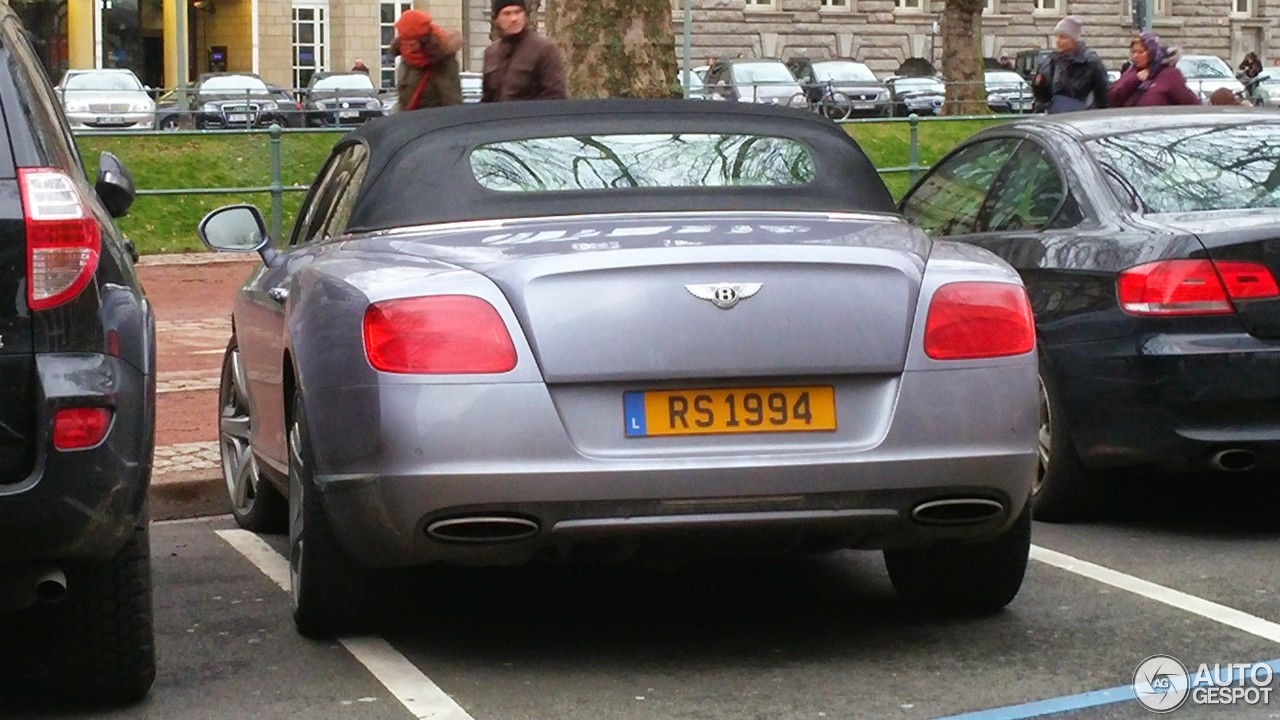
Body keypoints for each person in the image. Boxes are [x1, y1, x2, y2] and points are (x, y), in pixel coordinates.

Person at [482, 0, 567, 102]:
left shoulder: (545, 49)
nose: (514, 19)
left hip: (531, 116)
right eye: (507, 14)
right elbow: (487, 99)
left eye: (518, 12)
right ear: (496, 19)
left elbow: (555, 94)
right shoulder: (491, 53)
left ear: (525, 16)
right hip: (499, 116)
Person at [1031, 16, 1110, 113]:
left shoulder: (1090, 61)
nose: (1058, 41)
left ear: (1074, 39)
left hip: (1081, 117)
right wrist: (1039, 85)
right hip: (1056, 115)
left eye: (1063, 37)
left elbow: (1103, 95)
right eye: (1057, 36)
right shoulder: (1052, 60)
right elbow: (1044, 98)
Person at [392, 9, 463, 111]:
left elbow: (452, 102)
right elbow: (403, 100)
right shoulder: (406, 58)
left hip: (432, 123)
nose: (408, 48)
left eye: (411, 43)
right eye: (404, 42)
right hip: (408, 121)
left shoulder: (442, 60)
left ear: (423, 40)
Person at [1108, 33, 1200, 107]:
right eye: (1133, 52)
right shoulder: (1131, 72)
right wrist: (1135, 80)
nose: (1135, 56)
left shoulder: (1170, 75)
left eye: (1140, 52)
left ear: (1152, 52)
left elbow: (1191, 105)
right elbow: (1111, 98)